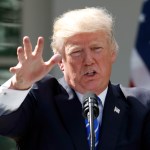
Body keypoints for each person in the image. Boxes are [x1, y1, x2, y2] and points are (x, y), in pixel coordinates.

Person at [0, 7, 150, 150]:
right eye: (77, 52)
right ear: (60, 62)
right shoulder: (40, 96)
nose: (88, 60)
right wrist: (19, 84)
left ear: (112, 53)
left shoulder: (141, 105)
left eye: (96, 49)